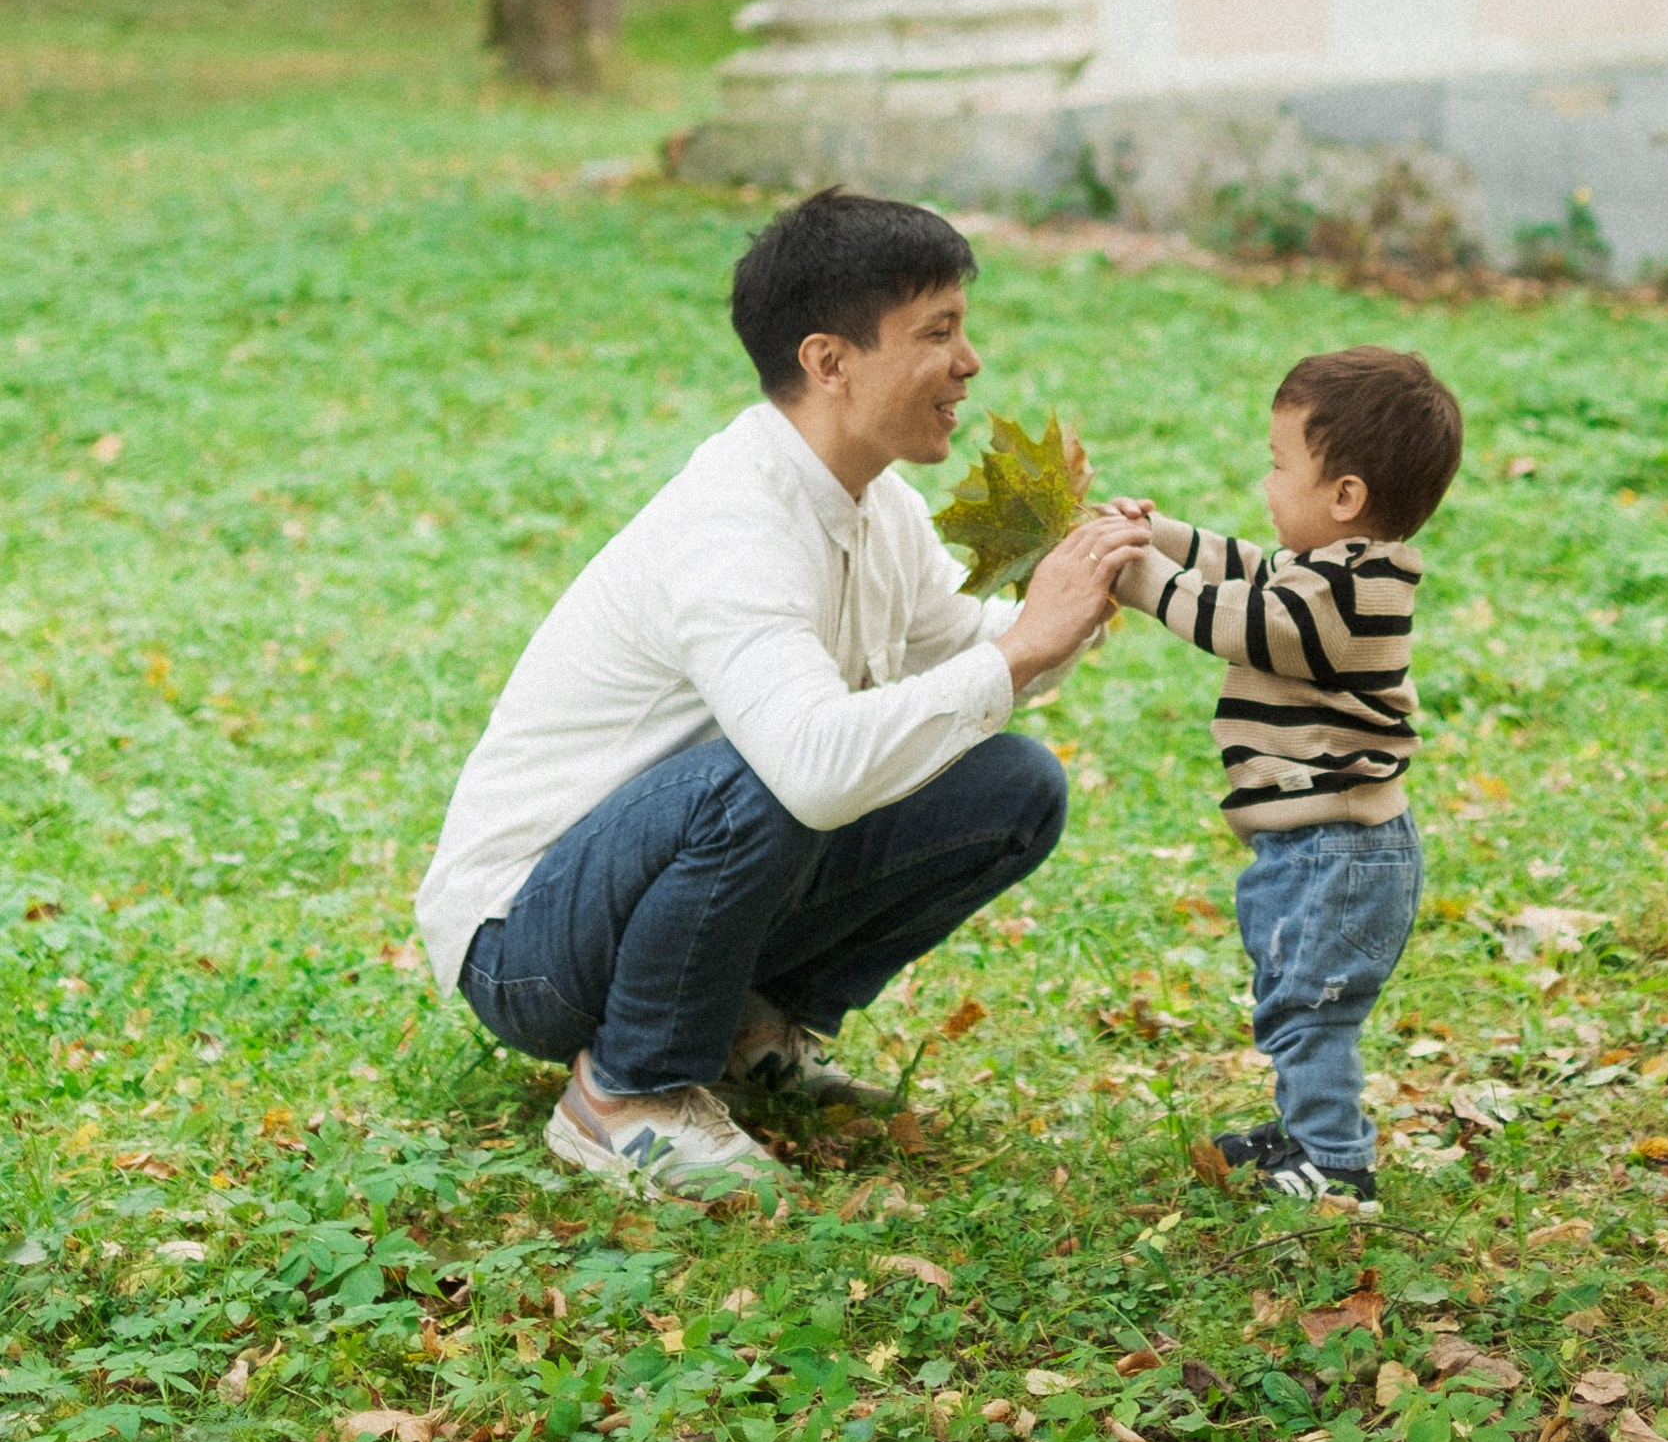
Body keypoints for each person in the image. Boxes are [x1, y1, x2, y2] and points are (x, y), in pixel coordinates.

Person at [416, 190, 1149, 1201]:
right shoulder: (735, 522)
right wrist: (1024, 645)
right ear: (829, 361)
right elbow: (808, 766)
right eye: (938, 333)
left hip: (652, 882)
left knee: (1010, 782)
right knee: (776, 769)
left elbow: (973, 651)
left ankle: (751, 1032)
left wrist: (1077, 596)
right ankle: (626, 1094)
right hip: (529, 951)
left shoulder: (874, 500)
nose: (970, 362)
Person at [1111, 346, 1463, 1211]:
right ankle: (1304, 1132)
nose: (1266, 485)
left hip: (1340, 849)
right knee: (1290, 995)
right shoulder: (1326, 566)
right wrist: (1155, 535)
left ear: (1345, 496)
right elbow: (1239, 566)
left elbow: (1250, 625)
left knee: (1313, 1008)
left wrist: (1144, 581)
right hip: (1309, 846)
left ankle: (1339, 1162)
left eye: (1279, 466)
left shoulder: (1357, 595)